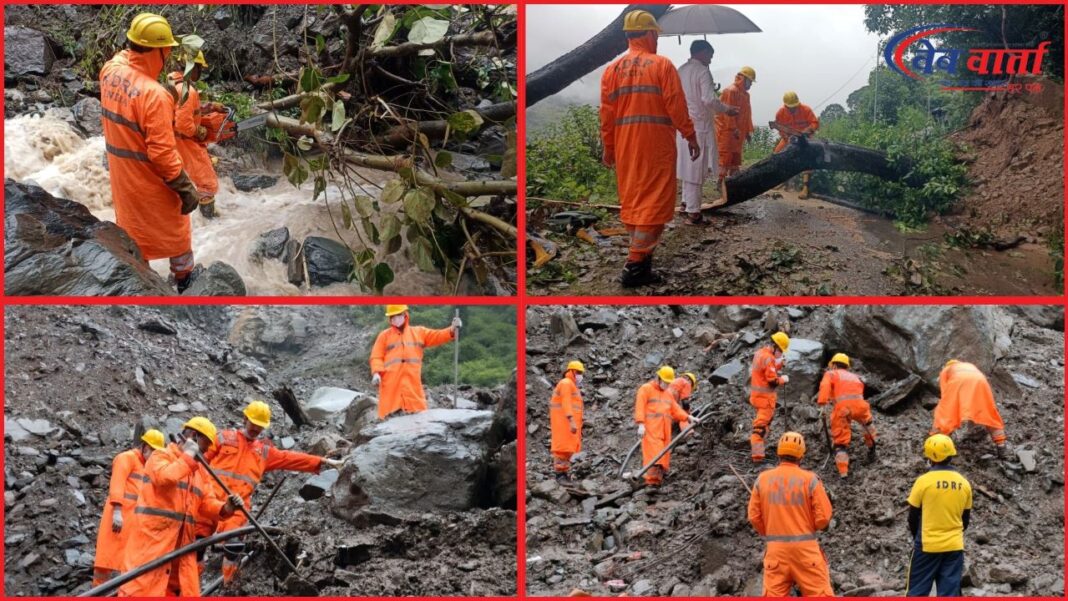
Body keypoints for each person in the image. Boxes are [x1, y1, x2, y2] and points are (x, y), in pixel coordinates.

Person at [100, 13, 201, 292]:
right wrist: (184, 187)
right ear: (161, 50)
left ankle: (141, 280)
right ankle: (184, 281)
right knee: (178, 231)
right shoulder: (153, 95)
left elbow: (124, 57)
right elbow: (162, 154)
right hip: (152, 180)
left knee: (133, 231)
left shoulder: (110, 70)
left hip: (123, 176)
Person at [600, 9, 698, 287]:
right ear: (651, 33)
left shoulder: (611, 70)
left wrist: (609, 147)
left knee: (634, 198)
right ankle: (635, 264)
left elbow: (606, 114)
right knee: (654, 199)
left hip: (625, 145)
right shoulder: (662, 65)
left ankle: (642, 260)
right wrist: (690, 135)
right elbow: (676, 107)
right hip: (655, 144)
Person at [196, 401, 346, 583]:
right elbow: (199, 463)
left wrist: (323, 462)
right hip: (207, 501)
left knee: (233, 548)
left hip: (236, 508)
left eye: (260, 426)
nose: (256, 429)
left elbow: (290, 458)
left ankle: (230, 588)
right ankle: (186, 588)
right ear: (244, 419)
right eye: (253, 423)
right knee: (195, 549)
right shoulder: (222, 438)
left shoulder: (263, 452)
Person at [119, 418, 242, 597]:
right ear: (192, 436)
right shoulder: (160, 456)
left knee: (181, 591)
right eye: (204, 445)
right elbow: (165, 478)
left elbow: (206, 503)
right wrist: (188, 457)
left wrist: (226, 508)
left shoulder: (200, 471)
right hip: (152, 546)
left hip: (181, 549)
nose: (207, 451)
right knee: (141, 591)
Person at [747, 432, 834, 596]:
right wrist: (809, 526)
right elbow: (823, 517)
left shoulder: (762, 479)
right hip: (806, 551)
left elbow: (753, 516)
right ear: (801, 455)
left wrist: (770, 533)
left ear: (779, 453)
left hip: (776, 552)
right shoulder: (810, 480)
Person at [675, 40, 738, 225]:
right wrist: (727, 109)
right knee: (696, 167)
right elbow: (709, 100)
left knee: (688, 166)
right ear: (702, 52)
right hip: (699, 125)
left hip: (684, 124)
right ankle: (694, 212)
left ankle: (686, 203)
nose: (711, 59)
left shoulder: (681, 70)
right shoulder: (703, 72)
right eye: (710, 54)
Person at [92, 429, 165, 586]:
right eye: (153, 451)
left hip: (133, 522)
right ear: (144, 446)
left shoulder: (148, 466)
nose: (154, 456)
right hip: (117, 518)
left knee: (125, 564)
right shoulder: (126, 458)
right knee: (105, 562)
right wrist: (117, 512)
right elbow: (117, 484)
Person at [167, 50, 234, 219]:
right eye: (199, 68)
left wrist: (209, 107)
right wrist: (199, 130)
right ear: (192, 67)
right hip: (185, 141)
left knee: (182, 177)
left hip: (172, 138)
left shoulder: (173, 82)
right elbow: (183, 124)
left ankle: (190, 218)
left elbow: (183, 110)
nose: (201, 72)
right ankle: (209, 222)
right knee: (206, 183)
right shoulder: (187, 91)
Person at [905, 434, 973, 597]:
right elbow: (965, 520)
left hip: (927, 545)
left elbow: (912, 517)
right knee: (950, 592)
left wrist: (917, 539)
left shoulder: (924, 481)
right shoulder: (964, 483)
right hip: (954, 546)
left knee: (917, 591)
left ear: (930, 456)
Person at [370, 305, 462, 419]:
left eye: (398, 315)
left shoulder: (418, 332)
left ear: (405, 315)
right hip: (391, 384)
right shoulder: (384, 336)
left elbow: (437, 335)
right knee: (389, 417)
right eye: (392, 317)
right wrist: (376, 373)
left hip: (412, 383)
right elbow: (376, 356)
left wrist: (452, 329)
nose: (395, 319)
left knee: (418, 417)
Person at [634, 366, 698, 487]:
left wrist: (689, 417)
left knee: (664, 455)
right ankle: (651, 483)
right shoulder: (646, 389)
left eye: (669, 383)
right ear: (658, 378)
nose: (667, 385)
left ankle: (657, 481)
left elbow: (676, 409)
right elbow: (639, 407)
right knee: (654, 454)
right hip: (651, 429)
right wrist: (641, 424)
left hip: (665, 429)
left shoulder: (667, 394)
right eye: (665, 382)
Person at [816, 352, 877, 478]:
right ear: (847, 366)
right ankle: (872, 448)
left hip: (843, 409)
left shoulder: (831, 374)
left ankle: (843, 473)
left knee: (841, 441)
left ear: (833, 365)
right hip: (861, 406)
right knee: (868, 425)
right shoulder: (855, 376)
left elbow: (825, 386)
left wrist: (822, 404)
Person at [931, 359, 1007, 457]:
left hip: (959, 381)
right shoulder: (969, 365)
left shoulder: (946, 370)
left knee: (946, 412)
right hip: (980, 381)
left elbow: (945, 392)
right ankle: (1001, 445)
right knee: (988, 411)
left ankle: (935, 440)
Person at [750, 332, 789, 462]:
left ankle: (761, 451)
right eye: (781, 351)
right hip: (765, 399)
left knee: (765, 425)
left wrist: (779, 365)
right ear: (776, 347)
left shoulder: (760, 353)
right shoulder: (769, 358)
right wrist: (783, 379)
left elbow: (765, 369)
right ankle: (757, 457)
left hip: (757, 397)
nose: (780, 354)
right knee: (759, 428)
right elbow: (772, 381)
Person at [771, 91, 819, 198]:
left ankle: (805, 188)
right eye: (790, 107)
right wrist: (786, 136)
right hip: (788, 138)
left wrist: (808, 130)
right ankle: (781, 180)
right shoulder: (780, 113)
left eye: (795, 107)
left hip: (805, 139)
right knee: (776, 154)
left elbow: (815, 123)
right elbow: (780, 128)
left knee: (807, 157)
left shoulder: (806, 110)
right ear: (786, 105)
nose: (793, 109)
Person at [714, 66, 756, 186]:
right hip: (726, 132)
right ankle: (720, 183)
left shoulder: (746, 95)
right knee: (725, 158)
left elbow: (747, 114)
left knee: (735, 159)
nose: (751, 85)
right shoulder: (730, 91)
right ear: (743, 79)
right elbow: (727, 113)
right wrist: (733, 128)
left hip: (739, 133)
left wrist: (747, 131)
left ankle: (734, 184)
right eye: (750, 81)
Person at [549, 361, 585, 482]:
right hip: (563, 421)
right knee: (562, 448)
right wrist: (571, 420)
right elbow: (566, 402)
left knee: (567, 448)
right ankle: (560, 475)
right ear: (573, 372)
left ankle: (564, 473)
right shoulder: (566, 383)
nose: (581, 375)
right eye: (579, 372)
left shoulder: (571, 385)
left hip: (566, 422)